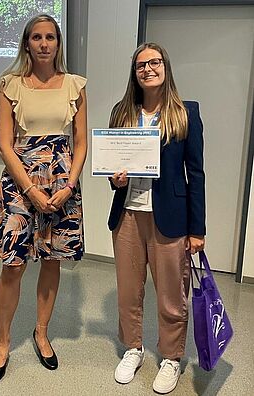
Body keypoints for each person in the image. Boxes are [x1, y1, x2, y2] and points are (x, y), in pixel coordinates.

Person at [0, 14, 87, 382]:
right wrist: (29, 188)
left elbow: (81, 141)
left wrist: (68, 186)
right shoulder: (10, 85)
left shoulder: (75, 85)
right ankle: (3, 341)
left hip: (62, 182)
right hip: (19, 181)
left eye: (51, 37)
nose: (44, 43)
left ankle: (41, 334)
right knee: (13, 265)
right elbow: (4, 144)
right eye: (37, 37)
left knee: (52, 260)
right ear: (27, 43)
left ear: (59, 43)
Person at [108, 42, 205, 394]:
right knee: (129, 292)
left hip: (171, 218)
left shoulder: (185, 113)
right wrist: (114, 179)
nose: (148, 69)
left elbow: (196, 173)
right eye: (140, 65)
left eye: (155, 62)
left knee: (171, 294)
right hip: (128, 216)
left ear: (165, 67)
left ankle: (171, 358)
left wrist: (198, 229)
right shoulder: (122, 112)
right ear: (134, 74)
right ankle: (133, 348)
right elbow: (112, 168)